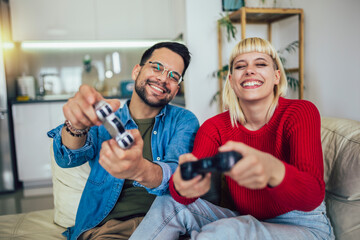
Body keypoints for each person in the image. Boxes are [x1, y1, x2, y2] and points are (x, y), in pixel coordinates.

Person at [129, 37, 335, 240]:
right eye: (240, 66)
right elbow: (182, 194)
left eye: (261, 64)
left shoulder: (300, 112)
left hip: (304, 225)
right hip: (247, 220)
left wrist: (273, 170)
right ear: (232, 81)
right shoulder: (215, 127)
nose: (250, 70)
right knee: (168, 203)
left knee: (229, 230)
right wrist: (183, 185)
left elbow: (312, 196)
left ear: (276, 76)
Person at [47, 42, 199, 240]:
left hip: (168, 224)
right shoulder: (106, 120)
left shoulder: (184, 120)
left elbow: (177, 176)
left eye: (173, 76)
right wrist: (76, 125)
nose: (163, 78)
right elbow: (67, 158)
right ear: (137, 71)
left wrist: (140, 169)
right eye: (157, 67)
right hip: (110, 229)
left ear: (176, 89)